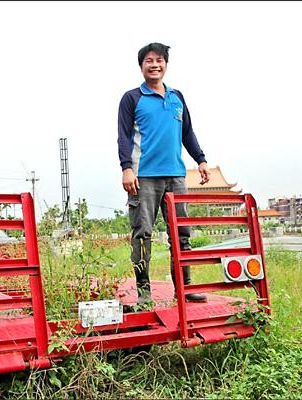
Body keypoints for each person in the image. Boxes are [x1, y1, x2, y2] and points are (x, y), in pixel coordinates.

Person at [117, 42, 211, 305]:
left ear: (166, 65)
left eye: (159, 60)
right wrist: (126, 168)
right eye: (149, 60)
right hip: (143, 177)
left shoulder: (177, 97)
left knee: (182, 235)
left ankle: (185, 287)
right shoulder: (132, 98)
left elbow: (187, 133)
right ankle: (144, 291)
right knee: (142, 234)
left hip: (176, 177)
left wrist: (201, 160)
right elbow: (123, 137)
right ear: (141, 66)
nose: (154, 64)